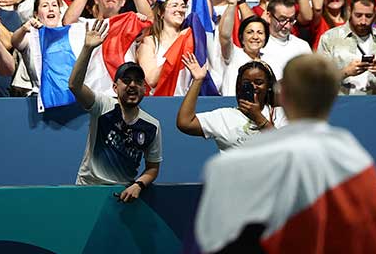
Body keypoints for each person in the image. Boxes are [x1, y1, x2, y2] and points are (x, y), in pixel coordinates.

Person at [194, 55, 376, 254]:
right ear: (332, 98)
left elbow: (208, 241)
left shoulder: (228, 167)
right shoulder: (356, 162)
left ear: (282, 96)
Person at [68, 19, 161, 202]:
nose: (132, 85)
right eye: (126, 80)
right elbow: (74, 85)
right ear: (115, 87)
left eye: (138, 81)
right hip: (88, 188)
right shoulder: (102, 106)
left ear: (144, 88)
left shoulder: (152, 126)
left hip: (123, 195)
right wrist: (87, 49)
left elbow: (153, 167)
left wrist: (138, 184)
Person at [177, 55, 286, 151]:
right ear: (239, 86)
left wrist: (258, 117)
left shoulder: (281, 114)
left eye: (259, 82)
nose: (253, 87)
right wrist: (198, 81)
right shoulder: (224, 116)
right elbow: (185, 123)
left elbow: (287, 146)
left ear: (269, 86)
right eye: (247, 83)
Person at [317, 0, 376, 95]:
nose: (363, 21)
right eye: (358, 15)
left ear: (375, 13)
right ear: (349, 11)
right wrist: (346, 72)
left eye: (368, 16)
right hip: (342, 103)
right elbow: (320, 80)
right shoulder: (329, 38)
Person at [260, 0, 312, 81]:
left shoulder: (302, 46)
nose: (287, 26)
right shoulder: (259, 44)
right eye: (282, 20)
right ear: (269, 17)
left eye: (291, 20)